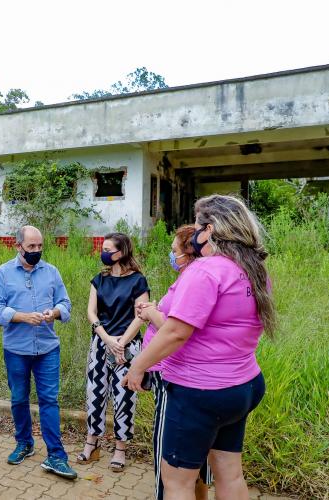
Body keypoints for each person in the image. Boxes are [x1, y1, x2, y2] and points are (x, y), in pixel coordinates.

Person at [124, 194, 274, 500]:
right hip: (243, 386)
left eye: (197, 225)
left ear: (210, 229)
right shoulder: (255, 270)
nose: (193, 232)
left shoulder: (205, 270)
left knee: (177, 482)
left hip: (201, 392)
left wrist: (137, 365)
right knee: (230, 473)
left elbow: (176, 332)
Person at [0, 225, 77, 480]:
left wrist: (55, 312)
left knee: (49, 400)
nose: (36, 251)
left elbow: (65, 303)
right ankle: (25, 443)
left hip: (48, 349)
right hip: (16, 349)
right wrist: (21, 317)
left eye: (40, 247)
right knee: (18, 399)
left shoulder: (51, 272)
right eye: (31, 247)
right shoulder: (2, 274)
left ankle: (57, 456)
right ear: (18, 247)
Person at [135, 225, 212, 500]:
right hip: (193, 376)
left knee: (169, 457)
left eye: (174, 251)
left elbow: (174, 329)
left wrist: (151, 313)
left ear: (189, 253)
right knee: (198, 461)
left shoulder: (193, 280)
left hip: (174, 374)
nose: (171, 255)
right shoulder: (198, 278)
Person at [77, 232, 149, 472]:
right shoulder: (99, 279)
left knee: (124, 397)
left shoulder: (138, 281)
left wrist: (121, 343)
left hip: (128, 348)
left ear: (122, 252)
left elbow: (141, 316)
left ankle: (120, 449)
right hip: (101, 343)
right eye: (103, 248)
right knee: (95, 393)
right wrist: (107, 339)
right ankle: (91, 443)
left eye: (109, 249)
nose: (104, 253)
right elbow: (91, 313)